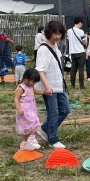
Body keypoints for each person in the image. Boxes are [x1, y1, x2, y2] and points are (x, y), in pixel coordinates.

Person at [36, 21, 69, 149]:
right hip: (49, 87)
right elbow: (40, 70)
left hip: (58, 85)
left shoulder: (55, 47)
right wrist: (46, 86)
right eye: (55, 33)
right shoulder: (44, 49)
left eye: (60, 34)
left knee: (65, 110)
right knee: (53, 113)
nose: (57, 36)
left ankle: (44, 128)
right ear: (49, 33)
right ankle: (53, 139)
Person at [14, 68, 44, 151]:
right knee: (35, 122)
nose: (33, 83)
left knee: (27, 128)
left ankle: (24, 144)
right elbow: (16, 98)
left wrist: (44, 92)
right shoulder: (21, 88)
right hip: (24, 110)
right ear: (25, 79)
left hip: (31, 109)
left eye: (34, 82)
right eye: (32, 81)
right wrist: (18, 108)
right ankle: (31, 138)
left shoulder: (31, 86)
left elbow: (35, 91)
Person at [67, 17, 87, 89]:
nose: (81, 25)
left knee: (73, 69)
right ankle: (81, 85)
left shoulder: (69, 31)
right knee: (81, 69)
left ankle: (72, 85)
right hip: (80, 51)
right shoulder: (81, 31)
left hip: (72, 52)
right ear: (80, 23)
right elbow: (84, 42)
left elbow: (69, 40)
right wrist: (86, 40)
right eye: (81, 24)